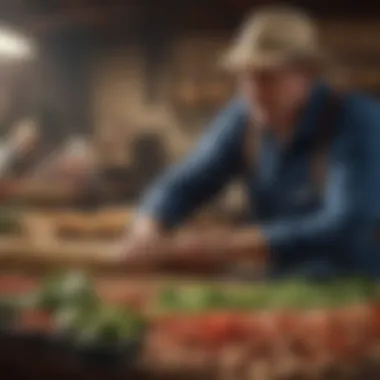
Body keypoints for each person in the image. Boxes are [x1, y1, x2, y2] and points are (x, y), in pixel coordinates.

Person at [120, 6, 380, 278]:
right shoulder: (244, 119)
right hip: (282, 287)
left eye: (267, 76)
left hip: (357, 286)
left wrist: (228, 246)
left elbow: (347, 224)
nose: (253, 90)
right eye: (245, 76)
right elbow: (189, 179)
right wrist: (149, 224)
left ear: (307, 73)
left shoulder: (358, 123)